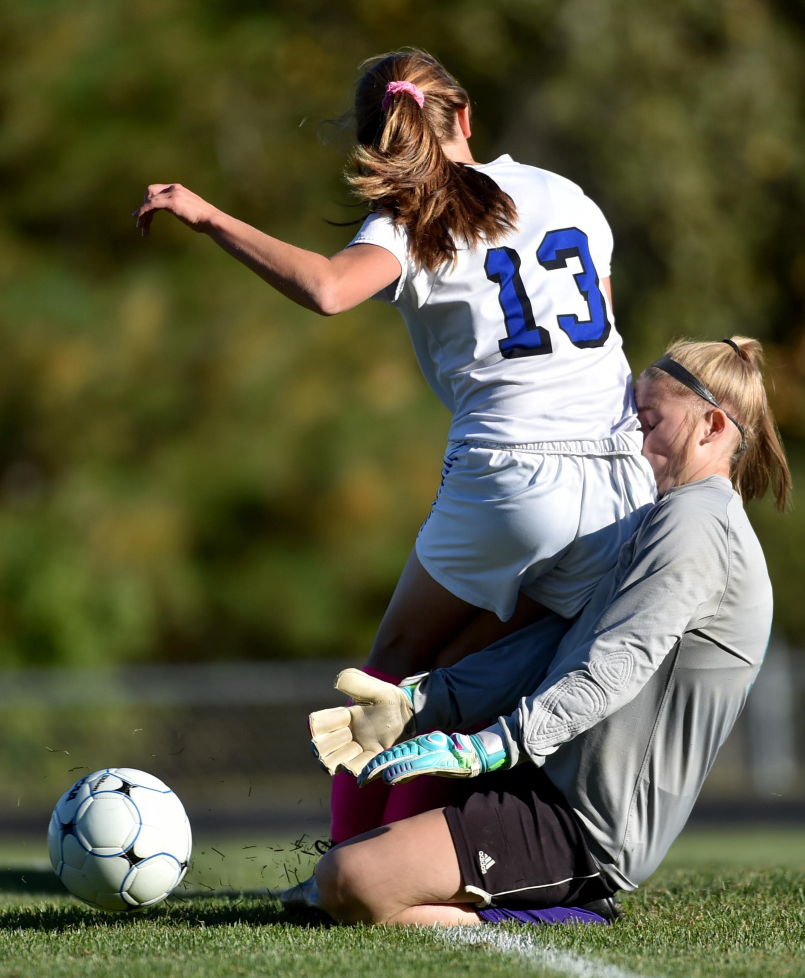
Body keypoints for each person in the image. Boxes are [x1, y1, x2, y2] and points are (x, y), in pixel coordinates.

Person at [133, 49, 655, 841]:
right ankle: (440, 858)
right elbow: (604, 345)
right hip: (622, 483)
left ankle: (353, 856)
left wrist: (209, 216)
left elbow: (329, 289)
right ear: (465, 116)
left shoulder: (416, 212)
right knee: (486, 683)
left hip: (510, 475)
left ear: (380, 143)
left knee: (394, 675)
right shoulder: (568, 195)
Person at [309, 336, 790, 926]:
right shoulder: (662, 519)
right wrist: (421, 703)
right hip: (543, 780)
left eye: (649, 422)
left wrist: (492, 744)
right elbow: (555, 645)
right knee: (344, 874)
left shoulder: (698, 524)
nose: (636, 444)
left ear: (712, 425)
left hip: (583, 825)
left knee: (353, 884)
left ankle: (576, 910)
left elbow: (614, 663)